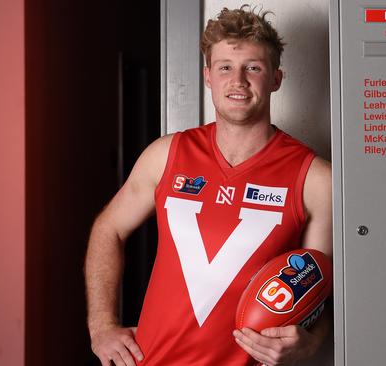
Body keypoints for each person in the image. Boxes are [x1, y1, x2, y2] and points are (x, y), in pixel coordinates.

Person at [85, 5, 332, 366]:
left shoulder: (314, 178)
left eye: (253, 68)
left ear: (276, 78)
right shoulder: (165, 155)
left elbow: (320, 285)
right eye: (225, 68)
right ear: (208, 77)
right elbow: (108, 228)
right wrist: (101, 326)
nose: (239, 81)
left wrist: (310, 343)